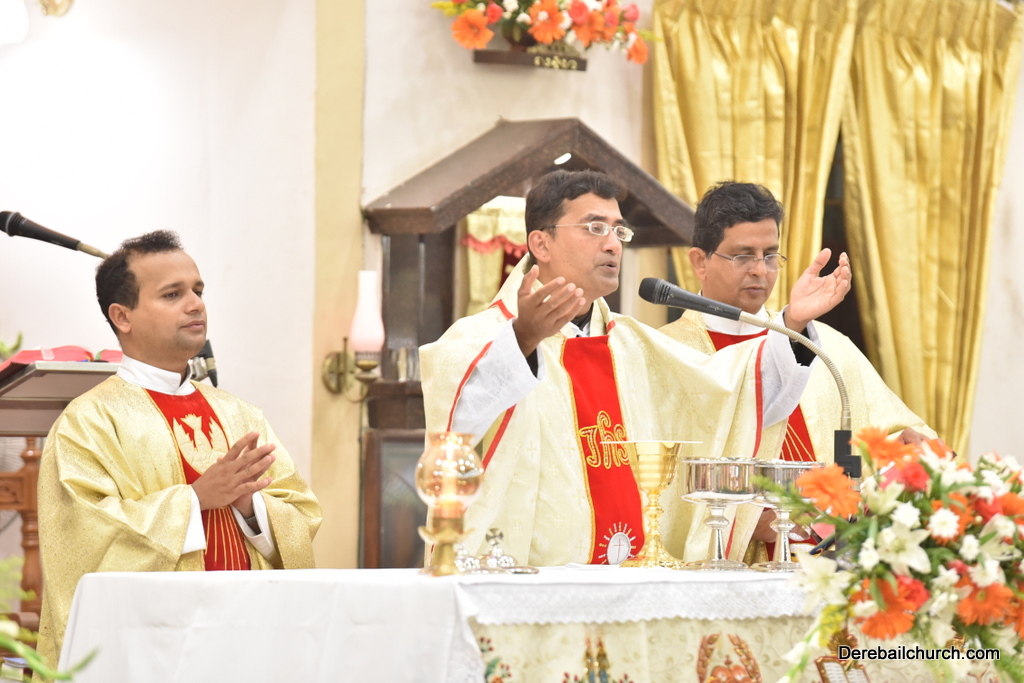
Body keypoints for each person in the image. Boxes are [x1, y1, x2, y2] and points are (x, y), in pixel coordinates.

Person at [420, 170, 851, 567]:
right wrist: (523, 340)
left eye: (618, 230)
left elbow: (730, 393)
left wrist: (793, 322)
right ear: (541, 244)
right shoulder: (483, 337)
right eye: (595, 228)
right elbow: (455, 425)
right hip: (524, 580)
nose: (613, 244)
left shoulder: (633, 344)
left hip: (631, 578)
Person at [36, 231, 322, 668]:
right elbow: (82, 538)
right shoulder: (88, 422)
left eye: (198, 291)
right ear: (122, 316)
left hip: (249, 637)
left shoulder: (240, 414)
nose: (195, 305)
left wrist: (250, 506)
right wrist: (196, 500)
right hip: (153, 652)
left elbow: (302, 513)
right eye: (172, 294)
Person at [660, 181, 934, 560]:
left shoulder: (825, 344)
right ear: (699, 261)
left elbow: (872, 438)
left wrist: (904, 445)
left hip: (832, 560)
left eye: (770, 255)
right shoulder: (667, 352)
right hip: (735, 563)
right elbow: (662, 479)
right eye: (743, 255)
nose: (760, 270)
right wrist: (746, 518)